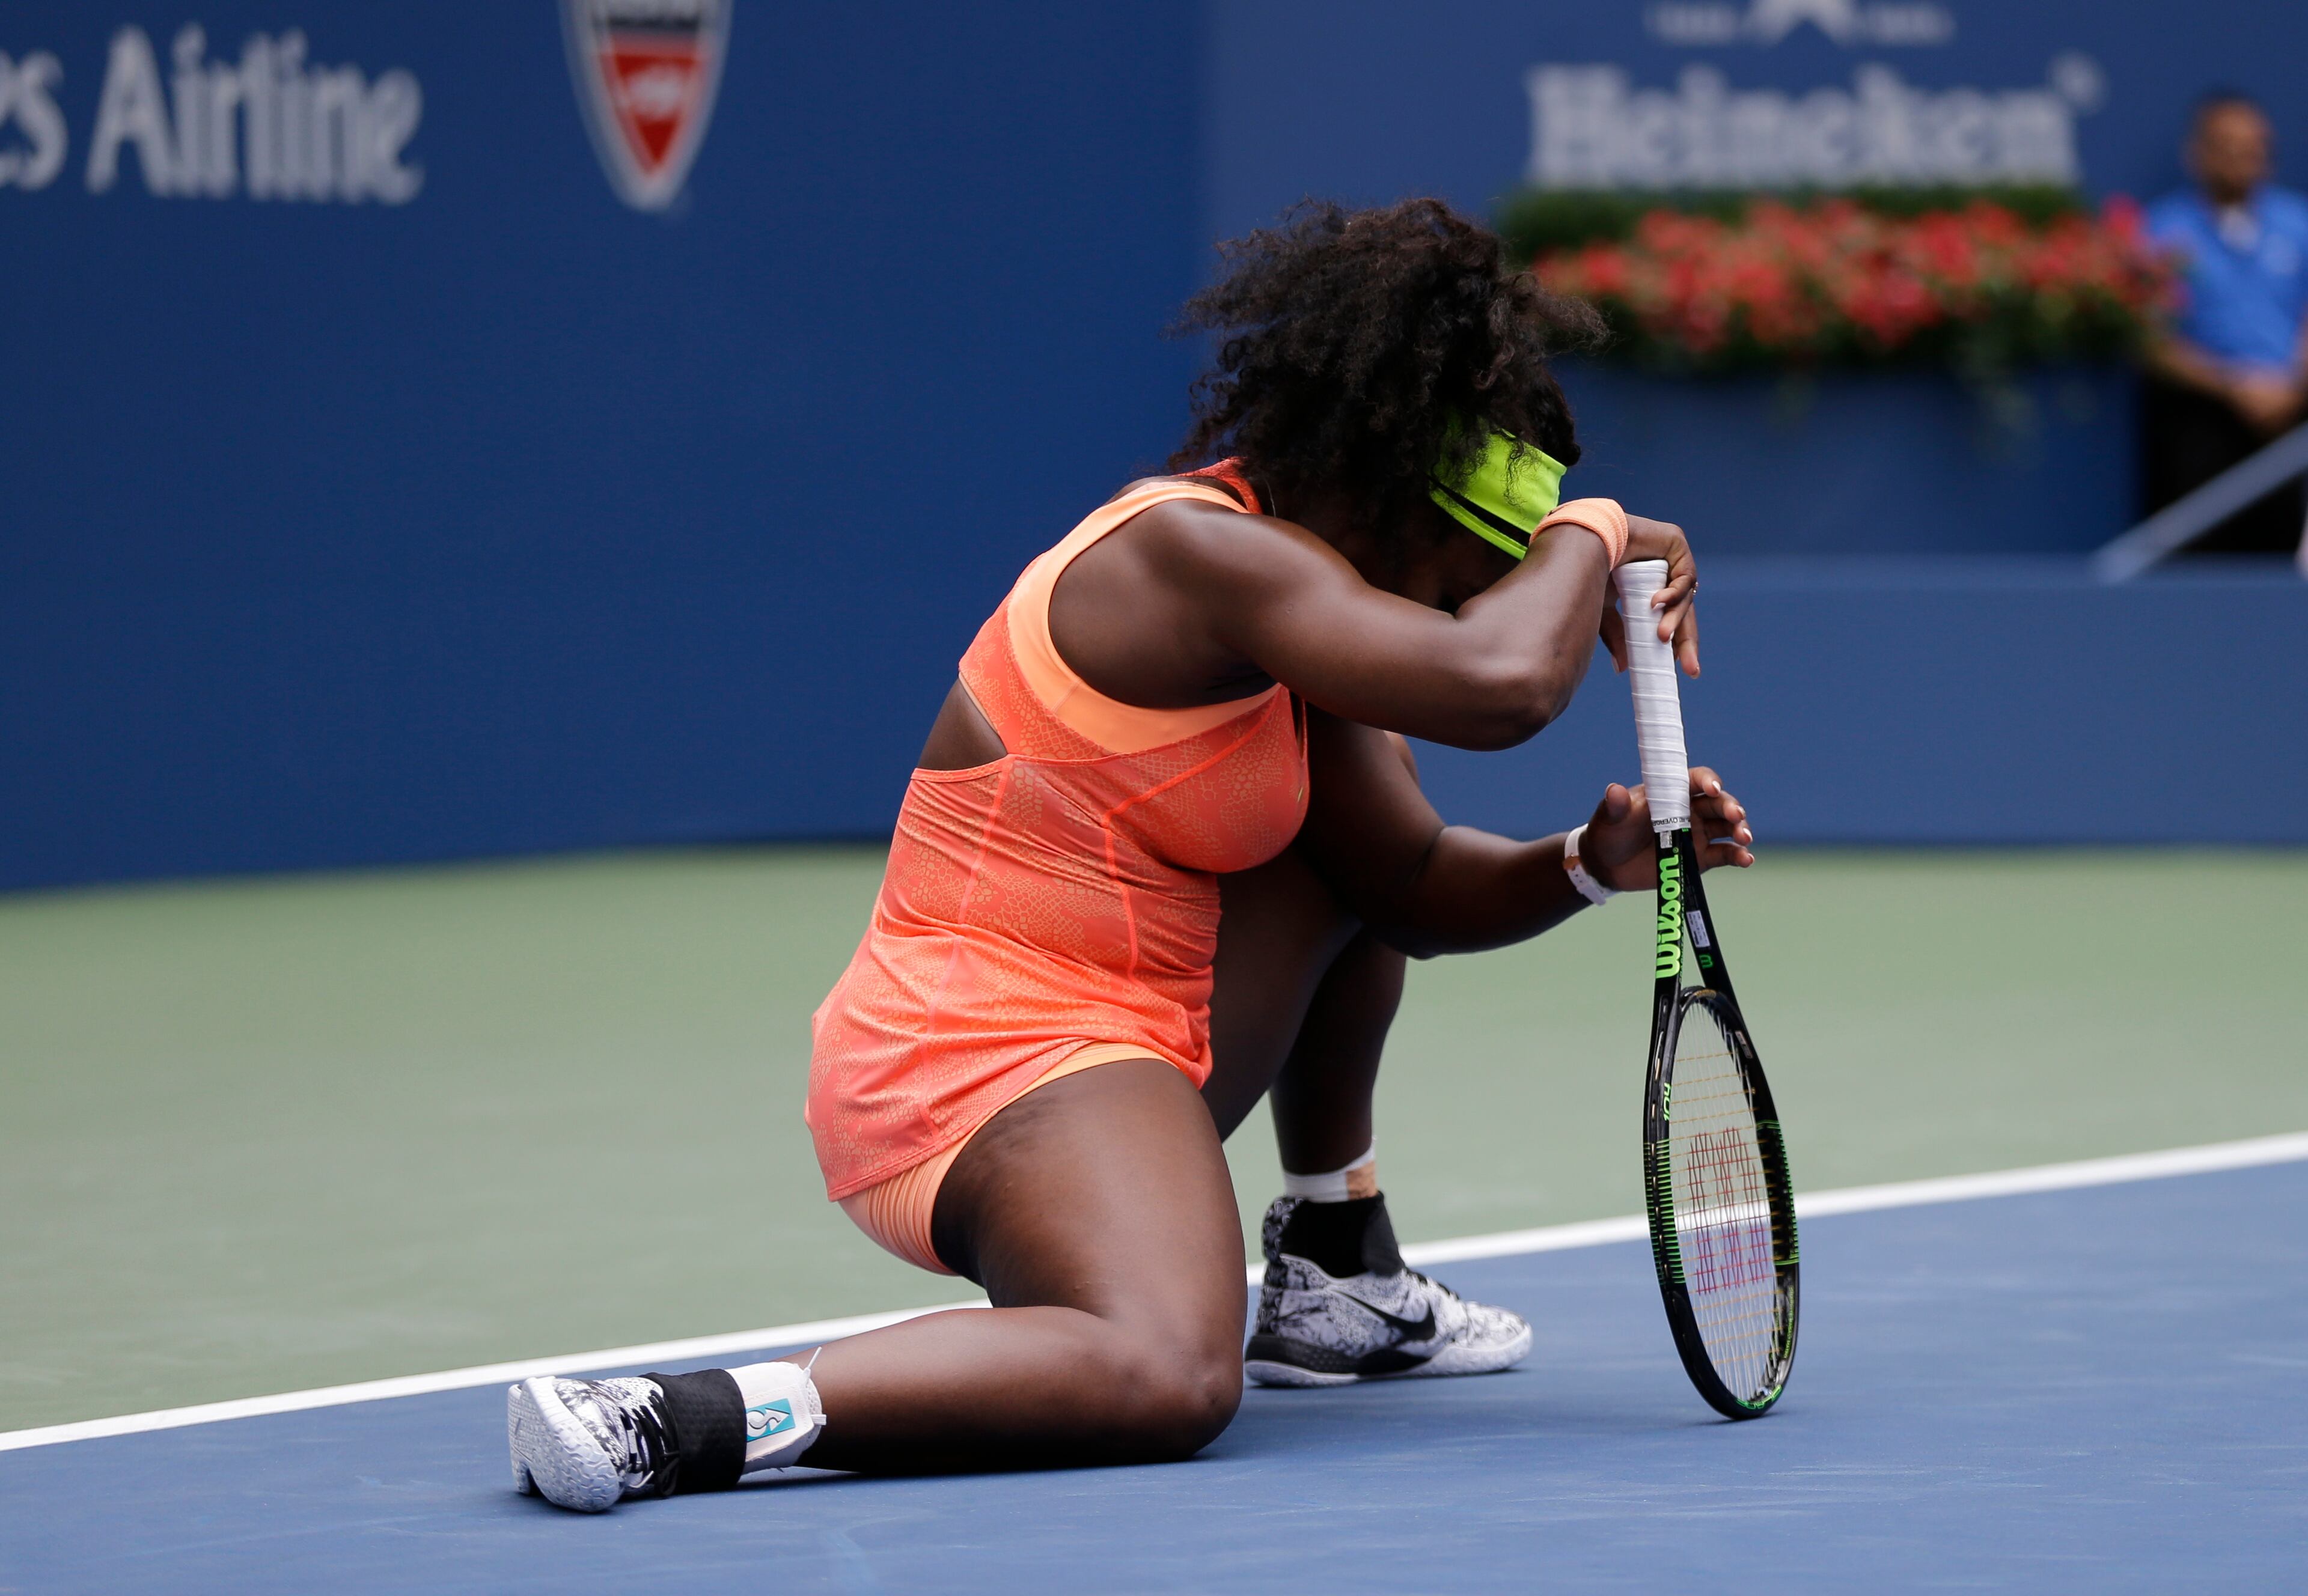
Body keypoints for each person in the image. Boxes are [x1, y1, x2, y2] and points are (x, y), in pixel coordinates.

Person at [504, 199, 1754, 1510]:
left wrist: (1585, 858)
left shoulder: (1305, 620)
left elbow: (1407, 890)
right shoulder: (1188, 554)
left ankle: (1336, 1262)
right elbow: (1499, 683)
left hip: (1137, 1040)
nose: (1451, 607)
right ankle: (673, 1415)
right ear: (1392, 493)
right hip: (973, 1062)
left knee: (1343, 862)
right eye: (1458, 574)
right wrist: (1596, 527)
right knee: (1166, 1370)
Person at [2142, 91, 2308, 560]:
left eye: (2253, 148)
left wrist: (2292, 385)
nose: (2241, 159)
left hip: (2291, 417)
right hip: (2201, 419)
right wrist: (2233, 386)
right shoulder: (2160, 230)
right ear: (2196, 153)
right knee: (2200, 559)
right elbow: (2149, 339)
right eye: (2227, 146)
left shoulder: (2300, 223)